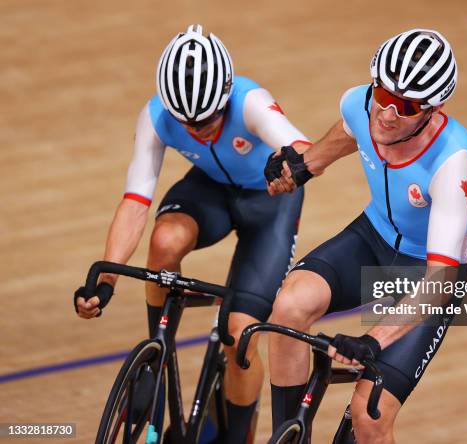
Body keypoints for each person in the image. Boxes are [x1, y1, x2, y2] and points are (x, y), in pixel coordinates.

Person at [73, 24, 311, 443]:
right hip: (210, 191)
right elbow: (135, 202)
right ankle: (157, 354)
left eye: (209, 118)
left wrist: (288, 161)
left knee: (239, 336)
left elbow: (302, 147)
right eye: (188, 122)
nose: (199, 128)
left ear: (226, 97)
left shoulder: (250, 100)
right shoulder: (156, 116)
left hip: (270, 203)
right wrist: (107, 280)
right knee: (164, 241)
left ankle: (236, 436)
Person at [264, 28, 467, 442]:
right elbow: (348, 134)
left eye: (406, 106)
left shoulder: (454, 162)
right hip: (373, 238)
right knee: (289, 305)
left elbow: (441, 280)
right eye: (383, 94)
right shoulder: (359, 102)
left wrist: (375, 340)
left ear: (433, 110)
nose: (387, 113)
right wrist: (302, 167)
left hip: (425, 274)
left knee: (370, 415)